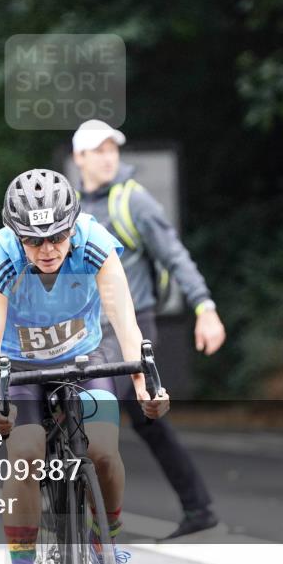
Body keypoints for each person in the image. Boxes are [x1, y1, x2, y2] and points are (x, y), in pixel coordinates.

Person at [0, 168, 170, 563]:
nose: (48, 250)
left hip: (85, 357)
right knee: (26, 454)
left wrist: (145, 384)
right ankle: (22, 559)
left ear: (73, 226)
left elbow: (125, 322)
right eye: (34, 240)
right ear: (16, 235)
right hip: (18, 366)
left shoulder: (95, 242)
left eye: (58, 237)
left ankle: (104, 541)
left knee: (104, 452)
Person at [71, 119, 227, 540]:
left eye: (112, 149)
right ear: (79, 158)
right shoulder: (69, 207)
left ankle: (92, 528)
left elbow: (175, 256)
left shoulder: (132, 201)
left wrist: (205, 307)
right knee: (147, 422)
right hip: (84, 334)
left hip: (131, 329)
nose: (108, 158)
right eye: (98, 150)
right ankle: (199, 508)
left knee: (94, 417)